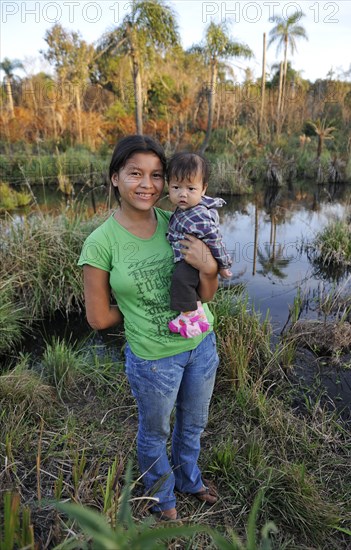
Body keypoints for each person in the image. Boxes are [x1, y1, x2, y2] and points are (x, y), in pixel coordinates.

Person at [77, 135, 220, 521]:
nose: (148, 184)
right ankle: (162, 496)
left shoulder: (178, 221)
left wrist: (208, 267)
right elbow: (98, 318)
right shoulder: (100, 244)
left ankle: (190, 479)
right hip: (154, 361)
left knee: (193, 424)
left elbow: (208, 293)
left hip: (202, 345)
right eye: (135, 173)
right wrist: (137, 306)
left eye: (157, 175)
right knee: (155, 432)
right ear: (114, 178)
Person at [167, 152, 232, 338]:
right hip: (190, 258)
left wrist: (224, 265)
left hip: (193, 261)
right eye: (176, 187)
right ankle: (196, 312)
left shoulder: (198, 214)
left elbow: (215, 239)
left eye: (191, 189)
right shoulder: (184, 210)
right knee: (184, 282)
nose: (182, 194)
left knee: (180, 279)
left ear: (203, 189)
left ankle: (189, 317)